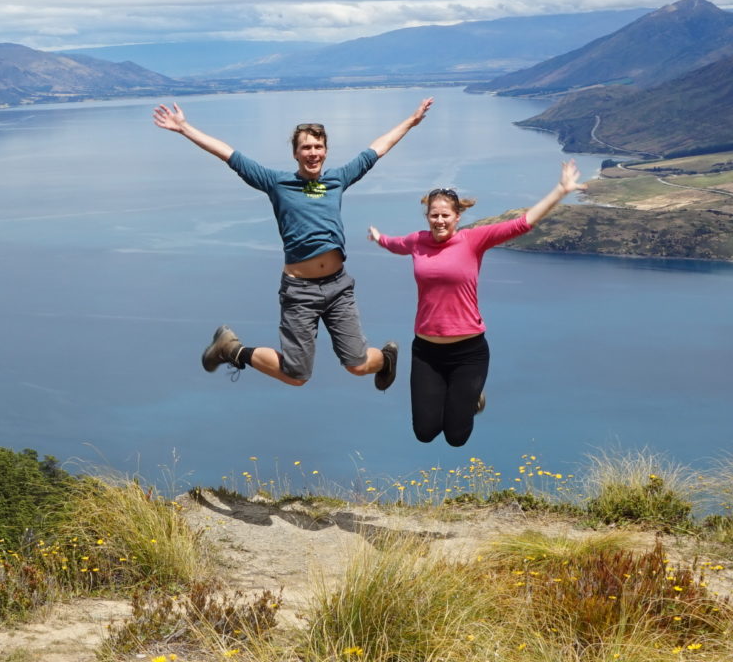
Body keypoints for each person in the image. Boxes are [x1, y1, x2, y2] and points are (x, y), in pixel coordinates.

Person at [153, 97, 433, 388]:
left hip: (339, 287)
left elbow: (377, 149)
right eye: (306, 147)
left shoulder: (337, 180)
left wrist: (411, 122)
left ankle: (386, 359)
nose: (313, 153)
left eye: (318, 147)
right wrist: (185, 128)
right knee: (297, 375)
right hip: (300, 292)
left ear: (326, 151)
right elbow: (230, 155)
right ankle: (231, 349)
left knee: (359, 366)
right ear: (296, 153)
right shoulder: (277, 183)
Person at [367, 161, 586, 446]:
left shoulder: (473, 240)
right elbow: (395, 244)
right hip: (426, 352)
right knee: (425, 432)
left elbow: (522, 223)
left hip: (468, 352)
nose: (440, 221)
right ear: (427, 217)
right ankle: (449, 390)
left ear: (458, 216)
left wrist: (560, 190)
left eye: (445, 215)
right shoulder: (417, 241)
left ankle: (471, 399)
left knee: (456, 437)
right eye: (434, 215)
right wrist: (378, 237)